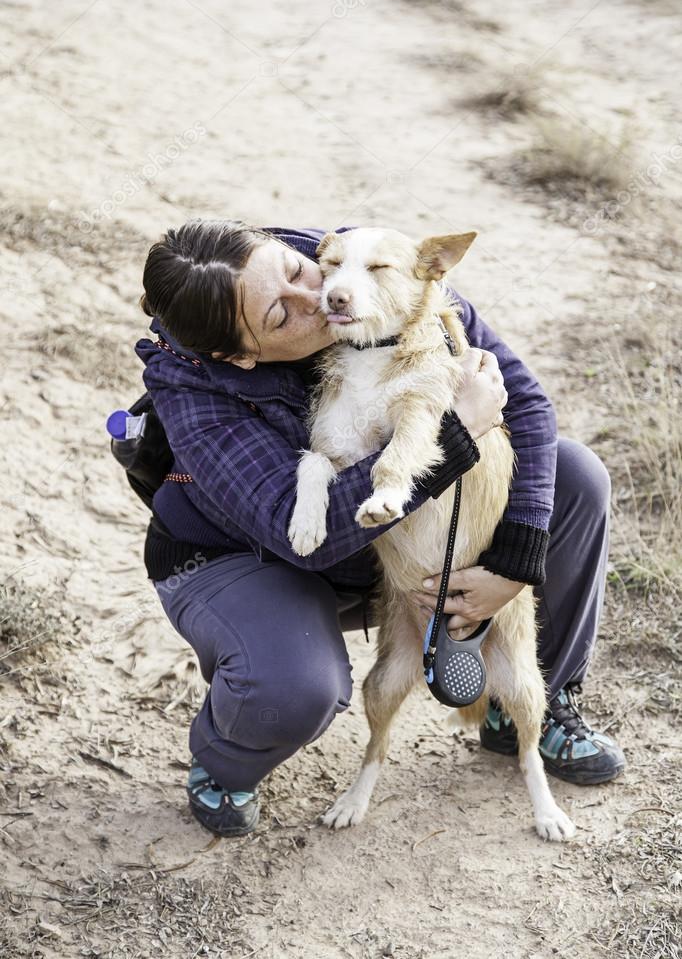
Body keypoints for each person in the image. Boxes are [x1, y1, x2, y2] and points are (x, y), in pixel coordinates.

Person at [134, 220, 625, 837]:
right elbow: (299, 535)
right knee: (296, 682)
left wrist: (516, 557)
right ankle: (225, 761)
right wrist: (454, 436)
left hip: (393, 541)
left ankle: (526, 707)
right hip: (252, 558)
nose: (320, 296)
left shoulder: (363, 263)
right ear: (240, 354)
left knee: (575, 475)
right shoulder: (195, 393)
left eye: (296, 269)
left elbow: (523, 402)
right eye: (280, 316)